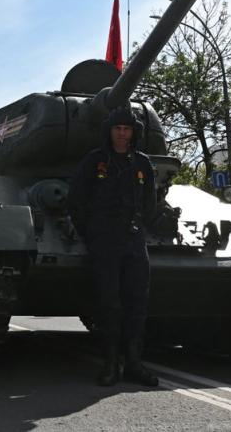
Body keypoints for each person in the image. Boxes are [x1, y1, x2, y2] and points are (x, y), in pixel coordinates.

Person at [67, 106, 159, 388]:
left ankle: (133, 363)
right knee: (109, 303)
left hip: (133, 239)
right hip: (104, 238)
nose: (122, 134)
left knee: (137, 302)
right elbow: (76, 199)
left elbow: (150, 201)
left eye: (127, 129)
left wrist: (141, 225)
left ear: (134, 133)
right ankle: (110, 364)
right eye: (118, 129)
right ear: (109, 132)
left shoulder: (141, 163)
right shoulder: (95, 161)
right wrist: (91, 231)